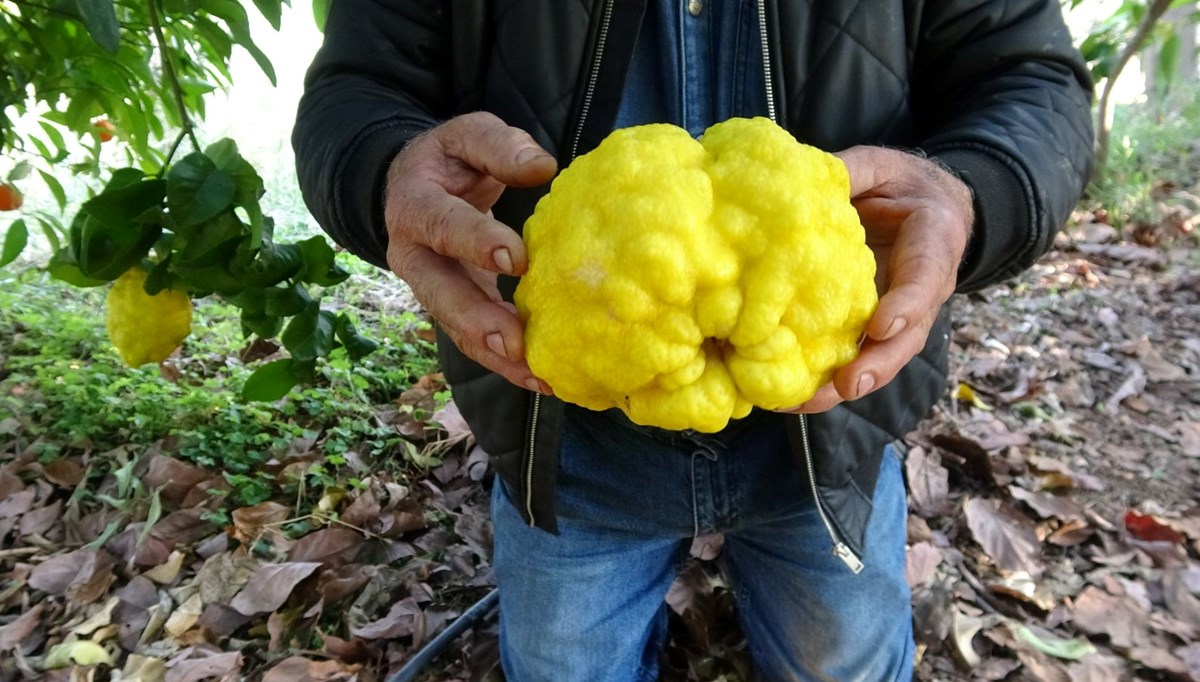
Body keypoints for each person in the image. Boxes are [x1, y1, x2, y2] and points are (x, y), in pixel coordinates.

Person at [293, 2, 1093, 680]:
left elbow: (1028, 76)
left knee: (843, 658)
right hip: (565, 426)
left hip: (832, 424)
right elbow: (362, 84)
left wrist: (975, 191)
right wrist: (381, 168)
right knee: (561, 660)